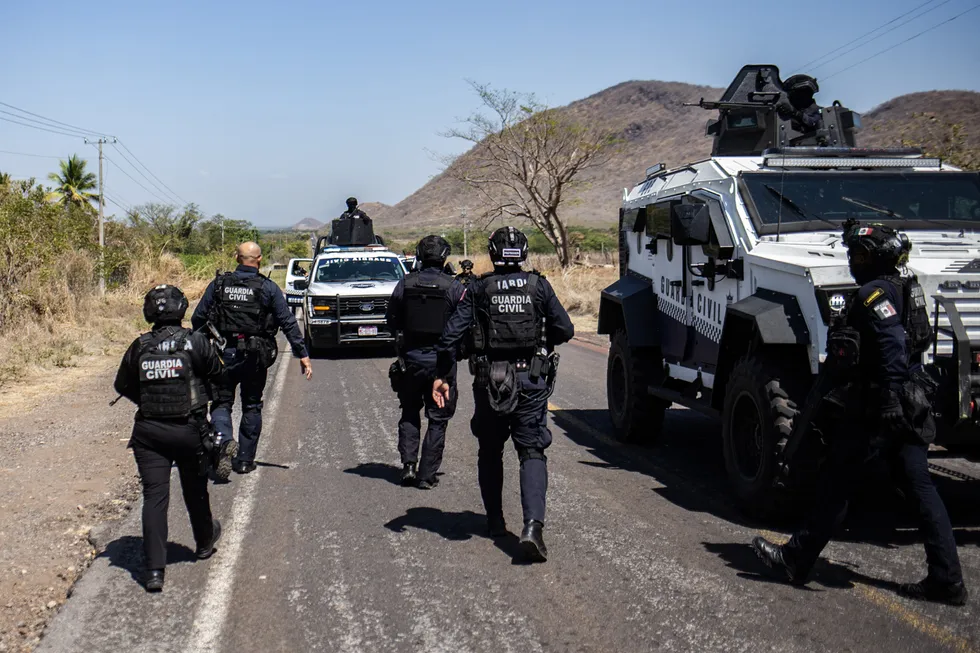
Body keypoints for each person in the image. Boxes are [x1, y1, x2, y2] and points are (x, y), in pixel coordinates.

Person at [752, 222, 967, 606]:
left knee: (836, 485)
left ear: (872, 258)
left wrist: (887, 401)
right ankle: (946, 579)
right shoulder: (906, 286)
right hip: (905, 403)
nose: (852, 261)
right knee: (921, 489)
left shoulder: (874, 293)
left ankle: (795, 559)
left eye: (857, 255)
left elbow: (891, 347)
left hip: (878, 409)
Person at [432, 226, 574, 562]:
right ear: (523, 253)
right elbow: (565, 329)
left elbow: (451, 335)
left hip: (490, 380)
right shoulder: (539, 285)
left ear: (493, 253)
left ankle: (495, 521)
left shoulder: (479, 288)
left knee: (490, 450)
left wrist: (442, 376)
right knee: (532, 451)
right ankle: (532, 527)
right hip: (532, 380)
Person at [113, 285, 225, 592]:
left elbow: (123, 384)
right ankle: (203, 544)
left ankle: (154, 572)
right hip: (188, 430)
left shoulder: (140, 345)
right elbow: (217, 373)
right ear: (182, 308)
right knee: (195, 490)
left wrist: (152, 404)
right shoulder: (196, 342)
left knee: (154, 497)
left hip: (149, 432)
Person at [192, 242, 313, 474]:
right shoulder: (268, 288)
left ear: (237, 258)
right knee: (251, 406)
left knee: (221, 403)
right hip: (255, 357)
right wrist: (302, 354)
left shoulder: (218, 285)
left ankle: (224, 441)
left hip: (222, 354)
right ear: (259, 260)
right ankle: (245, 460)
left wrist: (197, 350)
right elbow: (287, 322)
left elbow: (199, 319)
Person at [386, 235, 466, 488]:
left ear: (420, 255)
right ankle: (426, 474)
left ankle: (409, 466)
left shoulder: (405, 284)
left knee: (410, 411)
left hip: (411, 360)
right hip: (441, 363)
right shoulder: (454, 287)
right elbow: (463, 325)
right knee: (438, 417)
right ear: (444, 257)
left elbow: (391, 319)